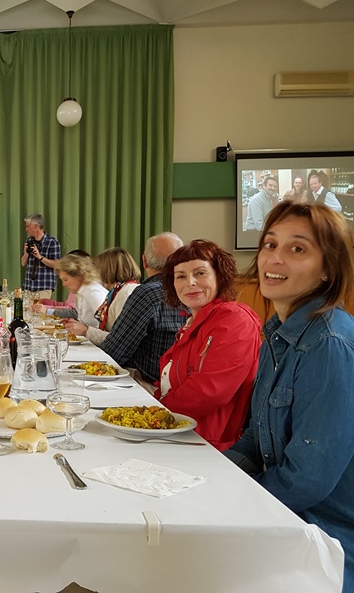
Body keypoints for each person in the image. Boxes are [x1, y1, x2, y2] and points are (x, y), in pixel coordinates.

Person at [224, 202, 354, 591]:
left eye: (297, 248)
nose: (274, 258)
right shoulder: (278, 333)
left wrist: (230, 501)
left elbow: (307, 479)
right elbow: (256, 434)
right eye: (270, 244)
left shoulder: (329, 344)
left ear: (328, 268)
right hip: (286, 516)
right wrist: (213, 474)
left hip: (325, 538)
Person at [154, 240, 261, 451]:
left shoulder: (234, 319)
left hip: (205, 444)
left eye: (200, 273)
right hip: (178, 432)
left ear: (219, 276)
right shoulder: (192, 322)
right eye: (180, 276)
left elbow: (209, 392)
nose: (190, 282)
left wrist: (153, 414)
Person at [91, 232, 186, 388]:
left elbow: (115, 351)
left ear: (144, 261)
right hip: (180, 382)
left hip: (148, 384)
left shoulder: (147, 294)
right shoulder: (191, 291)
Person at [68, 247, 141, 344]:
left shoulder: (125, 294)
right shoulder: (118, 291)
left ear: (107, 270)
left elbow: (121, 340)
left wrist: (86, 331)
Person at [47, 254, 107, 329]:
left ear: (79, 276)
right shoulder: (80, 292)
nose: (63, 284)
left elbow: (107, 327)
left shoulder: (94, 293)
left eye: (65, 280)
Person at [33, 249, 91, 318]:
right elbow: (66, 305)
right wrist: (46, 302)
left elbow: (72, 311)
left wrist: (46, 309)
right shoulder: (76, 287)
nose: (63, 284)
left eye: (65, 280)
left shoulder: (87, 290)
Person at [21, 213, 62, 298]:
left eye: (28, 226)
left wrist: (40, 257)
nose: (26, 229)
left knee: (39, 307)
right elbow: (23, 263)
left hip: (43, 288)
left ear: (36, 227)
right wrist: (26, 252)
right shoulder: (29, 240)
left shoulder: (52, 242)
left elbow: (57, 264)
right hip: (28, 287)